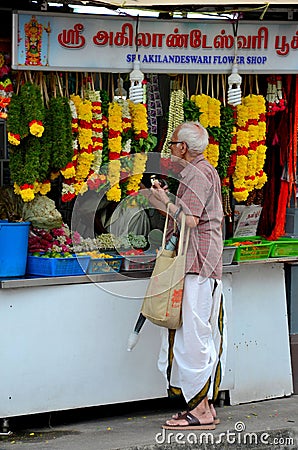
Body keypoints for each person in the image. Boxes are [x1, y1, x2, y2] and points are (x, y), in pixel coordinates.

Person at [149, 121, 226, 431]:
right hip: (201, 262)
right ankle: (201, 406)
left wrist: (164, 203)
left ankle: (202, 411)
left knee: (193, 336)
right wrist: (168, 199)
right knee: (195, 334)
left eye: (173, 143)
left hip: (197, 262)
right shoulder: (205, 170)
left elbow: (191, 220)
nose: (170, 148)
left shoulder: (196, 172)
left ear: (183, 147)